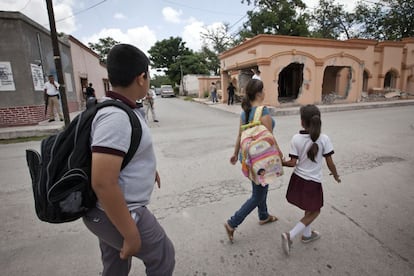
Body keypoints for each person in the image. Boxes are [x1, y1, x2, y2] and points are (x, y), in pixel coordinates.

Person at [82, 44, 175, 275]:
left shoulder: (122, 108)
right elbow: (103, 182)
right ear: (142, 77)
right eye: (149, 75)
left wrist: (147, 169)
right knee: (163, 256)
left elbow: (125, 154)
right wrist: (131, 233)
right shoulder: (116, 117)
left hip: (107, 211)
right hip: (120, 210)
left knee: (115, 264)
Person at [224, 79, 282, 243]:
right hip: (261, 159)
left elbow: (239, 136)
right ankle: (232, 223)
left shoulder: (245, 112)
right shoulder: (263, 111)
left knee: (261, 187)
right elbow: (270, 139)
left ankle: (263, 216)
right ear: (258, 93)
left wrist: (235, 154)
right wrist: (280, 155)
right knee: (258, 195)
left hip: (248, 158)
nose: (265, 93)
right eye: (263, 91)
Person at [280, 104, 341, 256]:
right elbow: (330, 162)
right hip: (312, 182)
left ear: (302, 122)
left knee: (309, 208)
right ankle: (290, 235)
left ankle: (307, 235)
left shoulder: (296, 138)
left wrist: (280, 162)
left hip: (298, 179)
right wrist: (335, 175)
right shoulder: (324, 139)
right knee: (315, 211)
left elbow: (292, 163)